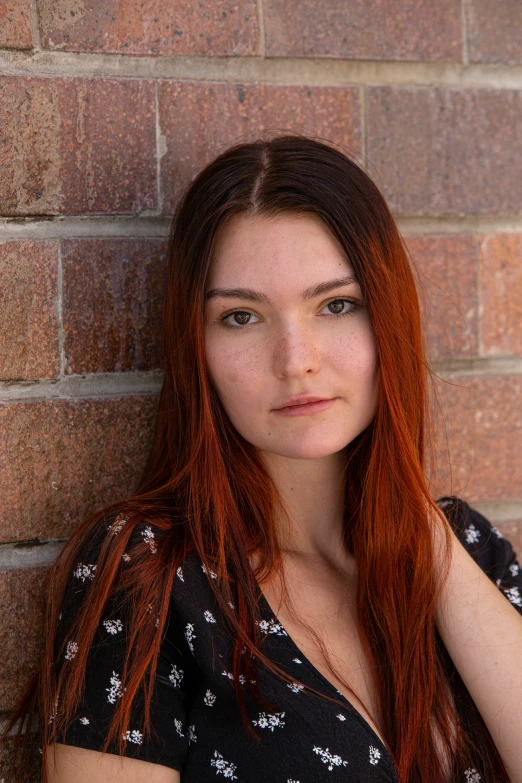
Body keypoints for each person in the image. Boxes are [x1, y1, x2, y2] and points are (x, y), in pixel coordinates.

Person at [4, 135, 522, 783]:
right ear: (198, 347)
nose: (295, 358)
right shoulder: (148, 578)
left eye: (337, 304)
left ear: (388, 320)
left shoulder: (468, 548)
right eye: (243, 316)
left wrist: (415, 526)